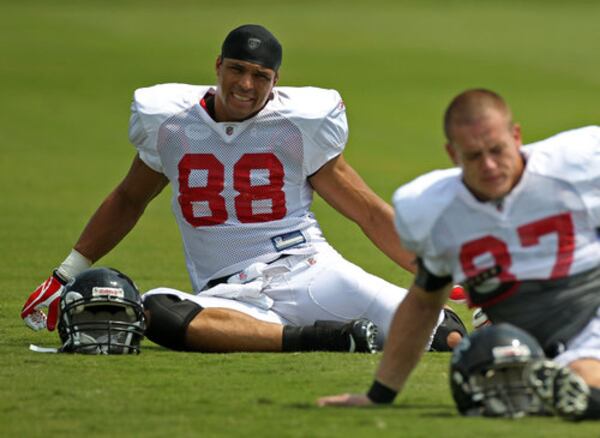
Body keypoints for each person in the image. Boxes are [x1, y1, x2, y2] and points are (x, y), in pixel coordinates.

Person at [20, 24, 465, 354]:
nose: (246, 85)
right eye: (236, 69)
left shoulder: (300, 124)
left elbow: (367, 211)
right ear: (218, 65)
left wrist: (444, 280)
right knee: (156, 309)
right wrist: (65, 273)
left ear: (276, 81)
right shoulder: (170, 122)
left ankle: (324, 335)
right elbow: (129, 198)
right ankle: (319, 339)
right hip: (226, 293)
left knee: (445, 333)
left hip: (310, 272)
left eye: (260, 75)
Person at [317, 88, 600, 420]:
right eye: (474, 156)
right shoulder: (433, 209)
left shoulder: (579, 163)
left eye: (497, 150)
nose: (490, 166)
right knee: (579, 391)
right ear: (453, 154)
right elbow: (424, 301)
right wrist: (379, 394)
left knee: (582, 387)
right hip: (548, 340)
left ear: (517, 136)